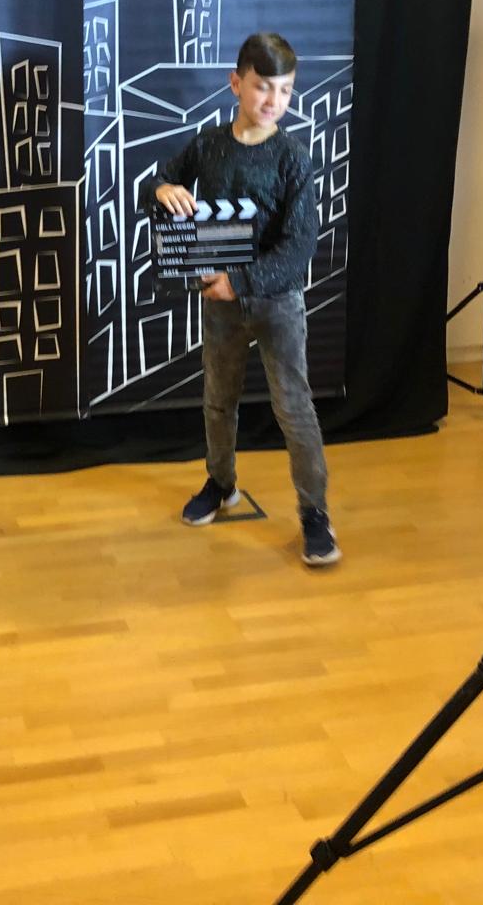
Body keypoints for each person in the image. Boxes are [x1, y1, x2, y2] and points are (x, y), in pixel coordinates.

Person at [146, 32, 338, 566]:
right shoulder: (208, 146)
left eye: (285, 90)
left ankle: (315, 512)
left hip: (278, 304)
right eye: (262, 87)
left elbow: (300, 246)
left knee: (294, 407)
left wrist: (241, 281)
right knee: (218, 398)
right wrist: (161, 189)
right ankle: (221, 482)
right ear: (236, 83)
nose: (273, 100)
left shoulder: (293, 158)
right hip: (220, 303)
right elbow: (159, 180)